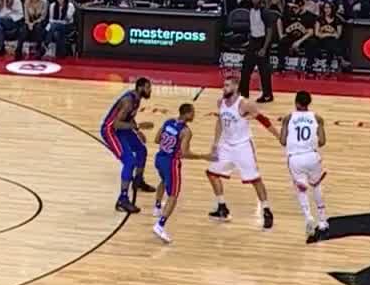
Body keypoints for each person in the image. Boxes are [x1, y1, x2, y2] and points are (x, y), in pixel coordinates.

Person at [206, 75, 280, 228]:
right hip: (226, 146)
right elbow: (220, 122)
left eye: (227, 85)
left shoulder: (245, 104)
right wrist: (215, 143)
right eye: (224, 85)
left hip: (242, 146)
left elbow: (263, 120)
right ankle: (222, 207)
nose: (224, 88)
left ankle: (266, 211)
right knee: (212, 174)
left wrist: (278, 136)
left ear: (235, 87)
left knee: (255, 179)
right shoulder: (220, 102)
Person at [151, 104, 206, 244]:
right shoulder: (186, 131)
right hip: (171, 163)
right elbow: (185, 153)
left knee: (163, 181)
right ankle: (160, 225)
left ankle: (157, 207)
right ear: (186, 114)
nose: (194, 115)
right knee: (173, 196)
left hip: (159, 158)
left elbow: (156, 140)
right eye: (192, 113)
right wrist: (202, 156)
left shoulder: (168, 122)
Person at [100, 78, 155, 213]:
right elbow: (116, 124)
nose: (150, 90)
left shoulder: (136, 99)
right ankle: (122, 200)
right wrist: (138, 126)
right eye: (148, 87)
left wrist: (137, 131)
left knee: (141, 150)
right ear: (140, 88)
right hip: (111, 131)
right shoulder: (128, 101)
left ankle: (138, 181)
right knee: (129, 161)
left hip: (122, 129)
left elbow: (128, 118)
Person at [279, 91, 329, 242]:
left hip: (295, 158)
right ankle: (322, 220)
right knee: (316, 186)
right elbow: (322, 142)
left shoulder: (288, 118)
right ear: (309, 103)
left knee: (301, 189)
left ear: (296, 103)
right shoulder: (317, 118)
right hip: (312, 156)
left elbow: (283, 141)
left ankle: (308, 217)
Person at [238, 0, 277, 103]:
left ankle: (267, 95)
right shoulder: (250, 10)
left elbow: (269, 31)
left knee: (264, 71)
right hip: (253, 41)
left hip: (262, 42)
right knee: (246, 68)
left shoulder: (265, 12)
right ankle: (243, 93)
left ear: (261, 0)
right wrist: (249, 41)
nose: (255, 0)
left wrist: (264, 48)